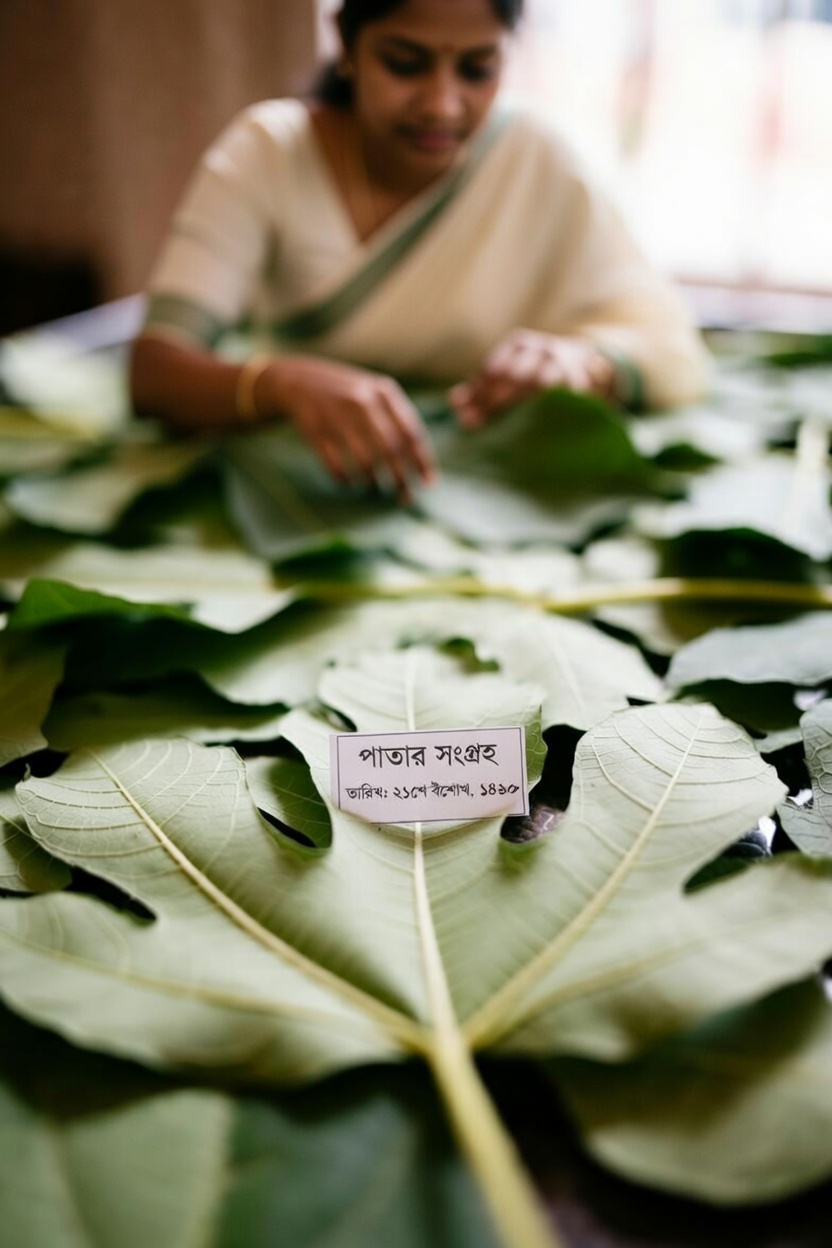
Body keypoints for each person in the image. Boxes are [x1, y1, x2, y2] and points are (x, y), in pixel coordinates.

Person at [130, 0, 709, 502]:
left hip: (494, 483)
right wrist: (282, 385)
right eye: (404, 64)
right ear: (347, 44)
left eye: (478, 70)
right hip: (307, 484)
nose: (441, 105)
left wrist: (584, 363)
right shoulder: (268, 155)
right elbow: (155, 373)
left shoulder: (533, 160)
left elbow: (674, 351)